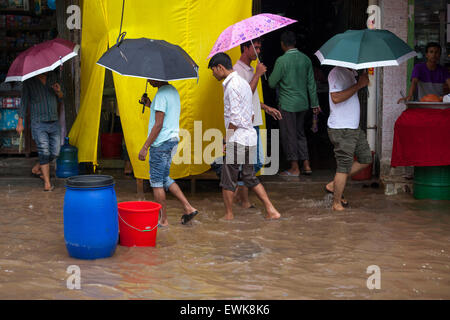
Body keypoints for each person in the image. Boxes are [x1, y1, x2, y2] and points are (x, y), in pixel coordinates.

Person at [208, 52, 281, 220]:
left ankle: (228, 216)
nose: (213, 74)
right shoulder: (242, 83)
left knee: (228, 179)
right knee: (249, 176)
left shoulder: (232, 86)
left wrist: (227, 139)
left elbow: (234, 117)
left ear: (220, 67)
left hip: (238, 139)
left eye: (213, 70)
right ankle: (271, 210)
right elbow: (251, 114)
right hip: (249, 137)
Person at [138, 79, 198, 226]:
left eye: (150, 76)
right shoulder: (172, 91)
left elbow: (158, 124)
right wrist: (150, 105)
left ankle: (163, 220)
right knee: (164, 178)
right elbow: (165, 114)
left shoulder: (161, 95)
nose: (148, 80)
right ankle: (188, 207)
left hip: (160, 143)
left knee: (156, 182)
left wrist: (145, 146)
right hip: (172, 141)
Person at [233, 38, 282, 209]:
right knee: (253, 162)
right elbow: (244, 95)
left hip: (254, 121)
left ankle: (240, 197)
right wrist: (257, 75)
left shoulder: (250, 68)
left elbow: (252, 99)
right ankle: (242, 199)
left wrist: (266, 107)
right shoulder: (237, 70)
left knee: (256, 162)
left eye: (260, 48)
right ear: (246, 49)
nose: (259, 51)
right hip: (246, 124)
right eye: (257, 48)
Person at [268, 30, 321, 177]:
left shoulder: (281, 61)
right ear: (295, 43)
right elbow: (311, 84)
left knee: (288, 135)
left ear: (282, 44)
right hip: (303, 104)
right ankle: (307, 164)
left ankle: (294, 167)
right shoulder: (305, 60)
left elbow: (272, 83)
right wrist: (314, 104)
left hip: (287, 104)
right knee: (300, 134)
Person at [324, 67, 372, 211]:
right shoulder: (336, 72)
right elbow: (336, 98)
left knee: (366, 158)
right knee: (344, 166)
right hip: (342, 128)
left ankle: (333, 185)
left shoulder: (352, 73)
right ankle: (336, 203)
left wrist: (361, 81)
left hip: (353, 127)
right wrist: (359, 85)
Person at [16, 72, 63, 191]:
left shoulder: (54, 78)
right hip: (38, 122)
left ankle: (38, 167)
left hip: (53, 120)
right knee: (43, 150)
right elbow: (24, 102)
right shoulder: (29, 82)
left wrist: (58, 91)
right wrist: (20, 123)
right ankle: (47, 183)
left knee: (56, 152)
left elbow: (62, 97)